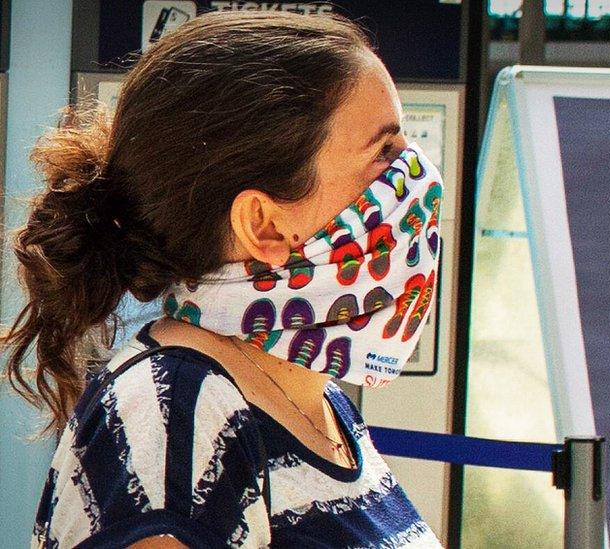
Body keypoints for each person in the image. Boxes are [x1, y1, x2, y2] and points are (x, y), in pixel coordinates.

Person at [1, 10, 444, 548]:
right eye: (385, 153)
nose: (417, 177)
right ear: (263, 225)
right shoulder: (174, 418)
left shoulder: (311, 397)